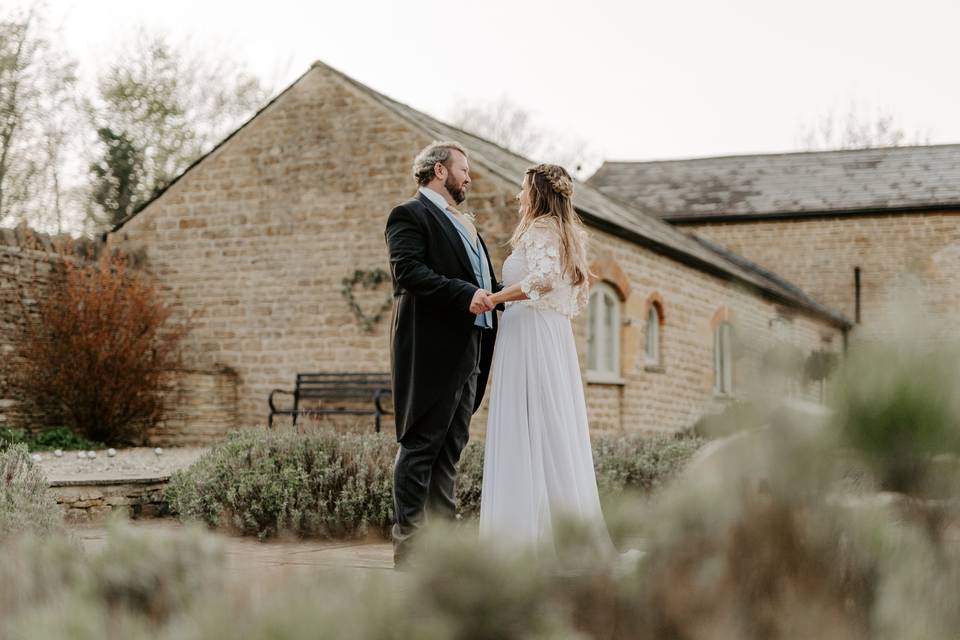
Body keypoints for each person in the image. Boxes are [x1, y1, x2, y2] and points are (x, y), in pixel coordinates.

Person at [480, 163, 613, 555]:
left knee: (530, 425)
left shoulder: (540, 229)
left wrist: (495, 298)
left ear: (536, 193)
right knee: (549, 427)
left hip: (531, 337)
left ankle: (527, 539)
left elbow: (544, 280)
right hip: (550, 336)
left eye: (523, 189)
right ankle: (553, 530)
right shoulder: (566, 234)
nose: (519, 196)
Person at [384, 140, 500, 567]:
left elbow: (481, 280)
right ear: (438, 170)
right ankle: (410, 550)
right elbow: (408, 272)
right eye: (463, 169)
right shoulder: (409, 214)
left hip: (471, 349)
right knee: (420, 448)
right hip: (432, 350)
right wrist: (466, 294)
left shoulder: (464, 223)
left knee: (450, 450)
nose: (468, 177)